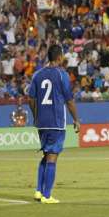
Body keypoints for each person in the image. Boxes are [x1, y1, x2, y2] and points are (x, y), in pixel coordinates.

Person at [28, 45, 81, 204]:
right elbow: (69, 100)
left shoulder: (37, 75)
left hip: (42, 122)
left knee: (46, 155)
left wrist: (37, 116)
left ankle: (38, 191)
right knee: (52, 157)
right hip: (56, 122)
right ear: (59, 58)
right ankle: (47, 195)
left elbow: (31, 99)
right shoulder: (62, 75)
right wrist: (76, 119)